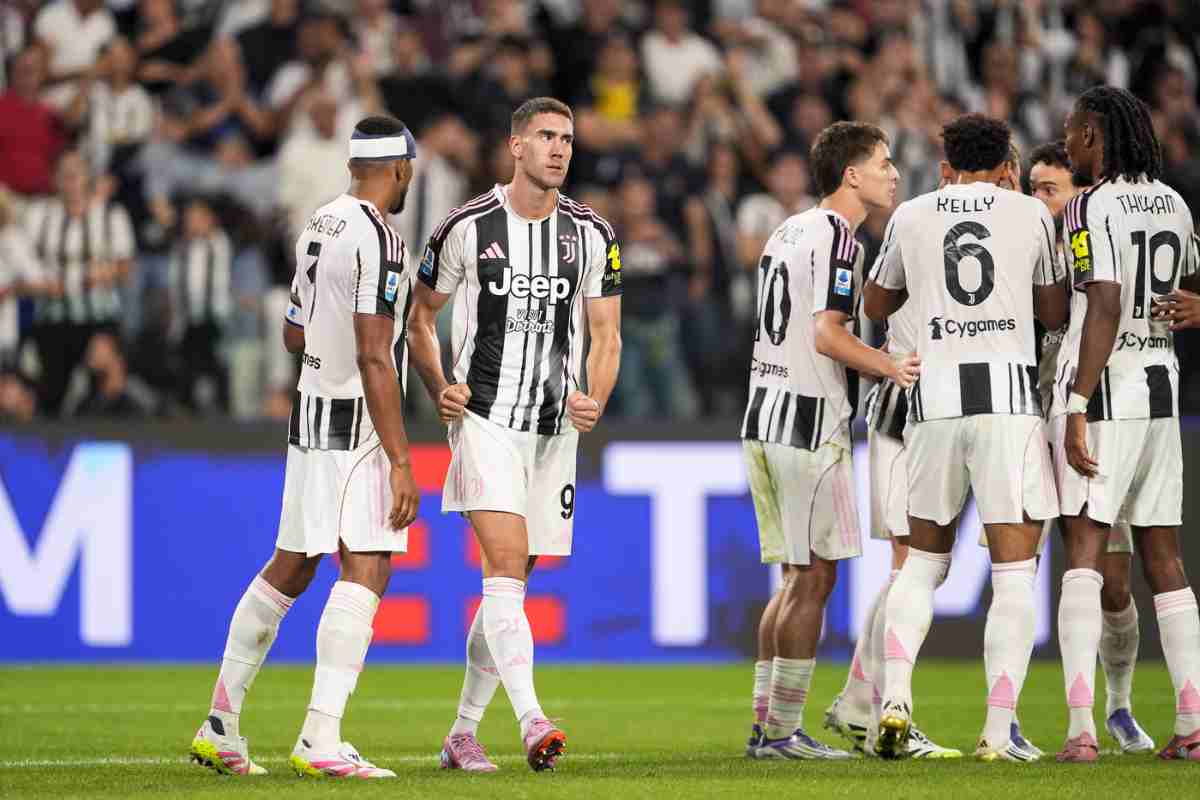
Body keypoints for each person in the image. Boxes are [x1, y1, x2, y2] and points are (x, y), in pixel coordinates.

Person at [188, 115, 421, 779]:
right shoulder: (379, 236)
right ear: (398, 169)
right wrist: (402, 459)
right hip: (355, 419)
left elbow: (293, 336)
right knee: (369, 563)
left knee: (292, 563)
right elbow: (376, 354)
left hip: (310, 407)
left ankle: (221, 725)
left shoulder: (319, 222)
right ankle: (320, 737)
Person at [408, 97, 622, 774]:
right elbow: (419, 318)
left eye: (567, 138)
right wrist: (438, 383)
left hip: (554, 433)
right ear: (516, 147)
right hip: (486, 421)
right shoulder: (465, 227)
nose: (560, 149)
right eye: (546, 137)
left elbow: (608, 334)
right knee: (503, 566)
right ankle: (532, 720)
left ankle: (462, 732)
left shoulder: (592, 234)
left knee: (512, 585)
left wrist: (597, 398)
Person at [865, 113, 1067, 762]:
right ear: (1007, 161)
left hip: (934, 401)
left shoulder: (913, 214)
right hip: (1007, 399)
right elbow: (1056, 311)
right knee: (1013, 572)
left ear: (945, 161)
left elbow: (875, 303)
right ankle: (997, 732)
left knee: (921, 562)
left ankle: (894, 699)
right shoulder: (1031, 214)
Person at [741, 121, 918, 761]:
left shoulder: (789, 228)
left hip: (763, 412)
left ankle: (766, 727)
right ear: (852, 175)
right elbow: (827, 334)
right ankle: (784, 733)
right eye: (883, 162)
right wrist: (889, 364)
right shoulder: (841, 238)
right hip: (808, 421)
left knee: (793, 578)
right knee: (814, 580)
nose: (893, 174)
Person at [1052, 86, 1200, 763]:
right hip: (1163, 386)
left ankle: (1082, 728)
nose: (1070, 139)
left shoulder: (1089, 205)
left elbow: (1105, 300)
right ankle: (1192, 722)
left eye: (1074, 130)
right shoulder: (1173, 202)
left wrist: (1077, 402)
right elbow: (1184, 283)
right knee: (1163, 557)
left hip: (1110, 388)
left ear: (1092, 136)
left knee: (1085, 552)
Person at [823, 162, 961, 762]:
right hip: (908, 409)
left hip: (916, 411)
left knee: (915, 566)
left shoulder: (910, 227)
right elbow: (869, 312)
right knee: (915, 562)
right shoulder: (917, 229)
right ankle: (877, 706)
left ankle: (860, 703)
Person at [1027, 139, 1154, 754]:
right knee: (1017, 569)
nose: (1037, 201)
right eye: (1031, 189)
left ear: (1079, 193)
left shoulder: (1100, 235)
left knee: (1112, 581)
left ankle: (1120, 705)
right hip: (1032, 417)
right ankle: (1011, 714)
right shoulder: (1015, 243)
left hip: (1101, 411)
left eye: (1049, 189)